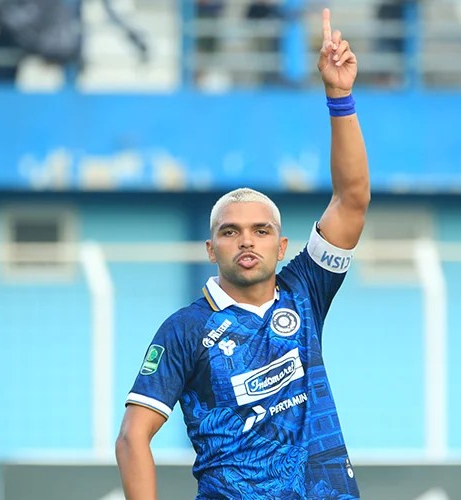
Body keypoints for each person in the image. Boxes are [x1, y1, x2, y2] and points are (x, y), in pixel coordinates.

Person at [115, 8, 369, 499]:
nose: (247, 240)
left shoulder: (305, 292)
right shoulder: (185, 330)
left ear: (283, 245)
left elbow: (352, 199)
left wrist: (339, 97)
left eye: (260, 230)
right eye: (231, 232)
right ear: (211, 249)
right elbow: (132, 438)